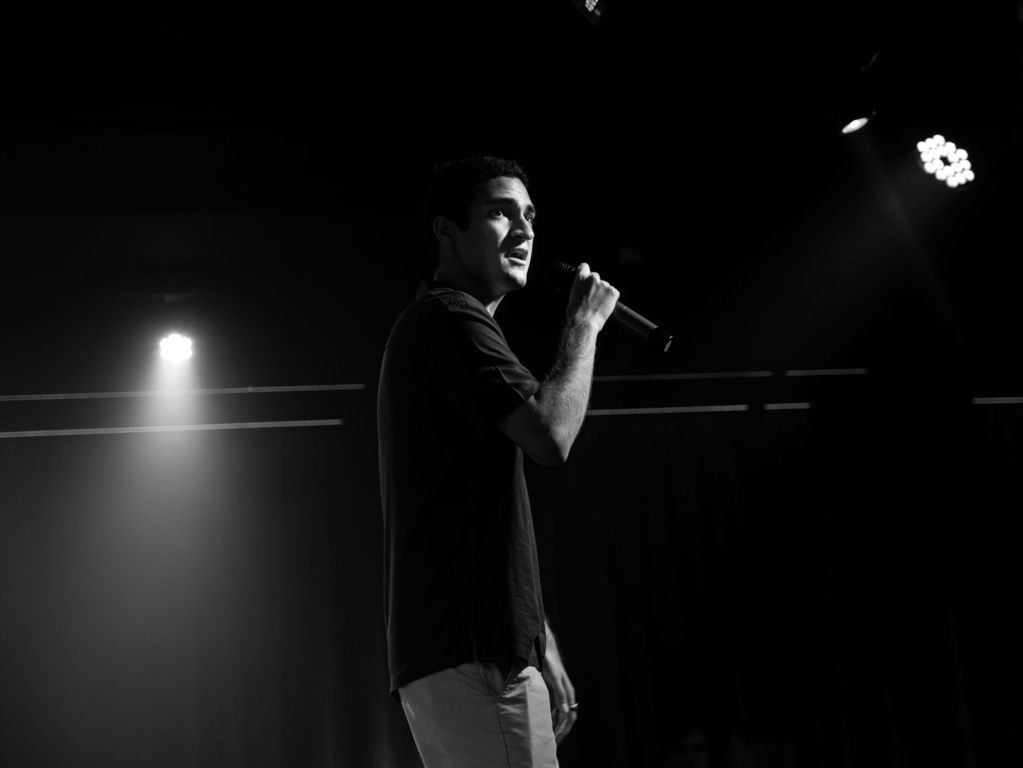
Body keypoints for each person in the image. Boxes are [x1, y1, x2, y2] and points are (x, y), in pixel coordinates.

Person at [377, 155, 620, 767]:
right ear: (446, 230)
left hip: (474, 646)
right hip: (473, 651)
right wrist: (585, 324)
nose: (524, 230)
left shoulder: (447, 323)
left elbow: (473, 516)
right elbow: (551, 434)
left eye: (530, 216)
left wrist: (539, 638)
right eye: (500, 212)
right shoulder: (449, 317)